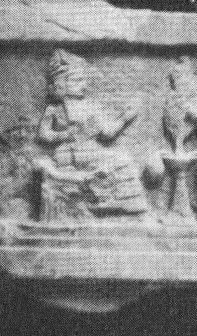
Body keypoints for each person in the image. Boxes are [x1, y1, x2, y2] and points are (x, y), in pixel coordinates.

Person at [36, 49, 148, 222]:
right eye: (77, 80)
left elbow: (107, 133)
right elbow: (42, 135)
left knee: (122, 160)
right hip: (67, 156)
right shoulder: (54, 109)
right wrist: (64, 135)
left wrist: (125, 118)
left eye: (83, 80)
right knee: (120, 162)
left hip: (90, 151)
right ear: (61, 84)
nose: (83, 85)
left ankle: (115, 202)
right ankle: (110, 201)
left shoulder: (90, 107)